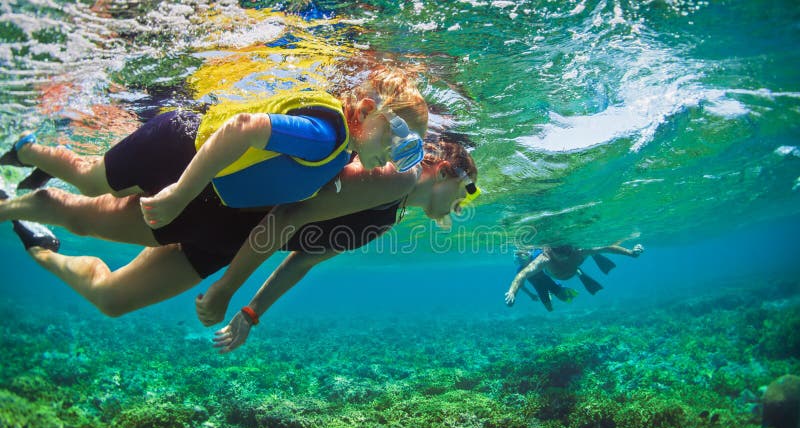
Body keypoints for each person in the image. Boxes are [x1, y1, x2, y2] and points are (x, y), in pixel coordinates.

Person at [0, 136, 479, 333]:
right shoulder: (394, 178)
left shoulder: (392, 213)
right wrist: (228, 289)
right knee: (84, 215)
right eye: (468, 189)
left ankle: (38, 242)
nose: (464, 204)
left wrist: (251, 312)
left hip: (230, 242)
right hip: (216, 208)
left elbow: (304, 256)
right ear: (446, 170)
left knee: (112, 299)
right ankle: (24, 170)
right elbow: (285, 220)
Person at [1, 64, 428, 220]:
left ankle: (47, 162)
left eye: (410, 147)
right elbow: (243, 126)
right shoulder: (327, 135)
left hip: (185, 154)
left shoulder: (343, 150)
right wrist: (180, 195)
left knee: (94, 181)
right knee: (91, 182)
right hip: (175, 146)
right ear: (368, 109)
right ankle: (27, 148)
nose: (396, 151)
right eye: (397, 134)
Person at [504, 243, 644, 308]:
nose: (563, 252)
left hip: (573, 265)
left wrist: (630, 252)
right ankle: (581, 268)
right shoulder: (544, 258)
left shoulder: (577, 251)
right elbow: (522, 274)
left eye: (566, 248)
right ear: (549, 250)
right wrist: (512, 291)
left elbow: (607, 247)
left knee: (592, 250)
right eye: (558, 250)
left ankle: (592, 258)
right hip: (562, 271)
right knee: (589, 253)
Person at [511, 248, 578, 312]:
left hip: (549, 283)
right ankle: (555, 290)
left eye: (522, 258)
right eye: (518, 259)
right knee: (550, 309)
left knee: (565, 298)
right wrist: (530, 295)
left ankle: (560, 287)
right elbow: (521, 285)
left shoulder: (536, 257)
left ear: (529, 255)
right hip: (540, 289)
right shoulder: (520, 270)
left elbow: (547, 253)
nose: (521, 261)